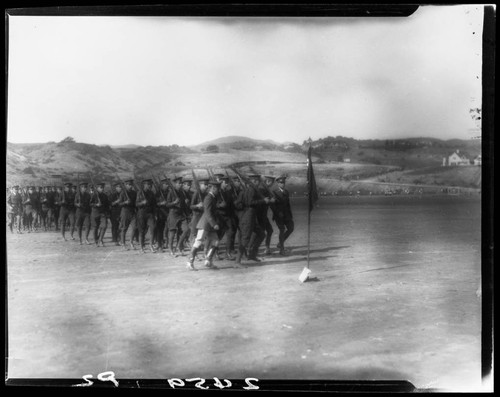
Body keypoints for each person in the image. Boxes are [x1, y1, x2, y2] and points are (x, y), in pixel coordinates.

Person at [234, 174, 275, 267]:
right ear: (254, 181)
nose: (258, 182)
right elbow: (250, 203)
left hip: (252, 217)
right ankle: (237, 261)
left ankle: (252, 255)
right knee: (245, 239)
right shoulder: (251, 190)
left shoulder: (250, 189)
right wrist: (263, 201)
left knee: (261, 234)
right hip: (248, 217)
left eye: (258, 181)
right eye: (256, 181)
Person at [186, 180, 222, 271]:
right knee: (198, 242)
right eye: (218, 189)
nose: (219, 190)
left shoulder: (212, 197)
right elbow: (208, 213)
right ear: (213, 188)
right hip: (205, 224)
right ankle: (189, 262)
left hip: (209, 225)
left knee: (216, 242)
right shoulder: (209, 198)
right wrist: (214, 224)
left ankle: (208, 261)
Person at [166, 176, 189, 256]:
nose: (181, 185)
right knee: (172, 232)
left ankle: (179, 245)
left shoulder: (182, 192)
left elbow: (183, 205)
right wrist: (174, 203)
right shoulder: (171, 192)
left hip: (181, 214)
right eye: (179, 183)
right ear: (175, 184)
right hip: (173, 214)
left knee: (185, 230)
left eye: (181, 183)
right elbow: (167, 204)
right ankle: (170, 249)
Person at [272, 175, 294, 255]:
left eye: (283, 183)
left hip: (287, 215)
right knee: (282, 230)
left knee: (291, 228)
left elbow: (288, 205)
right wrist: (277, 213)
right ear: (278, 183)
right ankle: (281, 249)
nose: (283, 184)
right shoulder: (274, 192)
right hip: (279, 216)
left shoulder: (286, 192)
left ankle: (280, 243)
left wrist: (290, 215)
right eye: (281, 183)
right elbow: (273, 206)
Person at [136, 179, 157, 253]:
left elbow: (154, 205)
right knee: (142, 231)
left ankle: (151, 245)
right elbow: (137, 204)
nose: (149, 186)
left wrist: (155, 214)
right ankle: (141, 247)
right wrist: (142, 202)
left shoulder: (151, 193)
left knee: (153, 228)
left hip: (150, 214)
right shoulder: (140, 193)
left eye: (150, 184)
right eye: (148, 184)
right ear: (144, 185)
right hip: (142, 213)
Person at [118, 179, 138, 250]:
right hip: (125, 212)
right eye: (129, 185)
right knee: (124, 228)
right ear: (126, 185)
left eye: (131, 185)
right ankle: (123, 244)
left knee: (135, 227)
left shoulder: (134, 193)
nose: (130, 186)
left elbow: (136, 203)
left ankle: (131, 242)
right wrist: (125, 202)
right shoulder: (123, 193)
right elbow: (120, 204)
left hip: (132, 212)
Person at [89, 182, 109, 247]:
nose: (102, 189)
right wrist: (96, 205)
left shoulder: (105, 196)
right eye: (101, 188)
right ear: (97, 188)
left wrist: (107, 213)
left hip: (102, 213)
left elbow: (107, 205)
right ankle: (95, 241)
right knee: (95, 228)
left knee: (104, 226)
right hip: (95, 213)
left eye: (103, 187)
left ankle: (100, 240)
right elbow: (90, 204)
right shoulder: (94, 195)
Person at [154, 178, 170, 252]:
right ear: (162, 185)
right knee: (160, 230)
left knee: (168, 229)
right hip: (160, 213)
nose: (167, 185)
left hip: (168, 213)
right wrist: (161, 204)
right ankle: (160, 245)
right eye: (166, 184)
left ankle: (167, 243)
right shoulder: (158, 193)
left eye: (168, 184)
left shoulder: (170, 192)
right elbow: (154, 204)